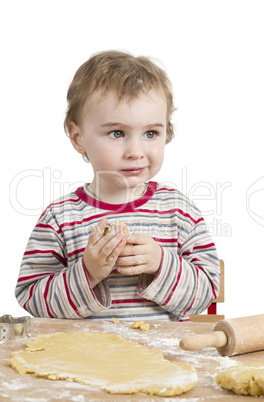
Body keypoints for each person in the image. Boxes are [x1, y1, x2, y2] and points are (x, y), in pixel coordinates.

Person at [15, 50, 220, 321]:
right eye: (117, 133)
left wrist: (162, 262)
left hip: (165, 361)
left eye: (151, 133)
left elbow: (207, 291)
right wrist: (87, 272)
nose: (135, 151)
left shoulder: (178, 211)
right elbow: (31, 299)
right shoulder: (60, 217)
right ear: (78, 137)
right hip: (83, 360)